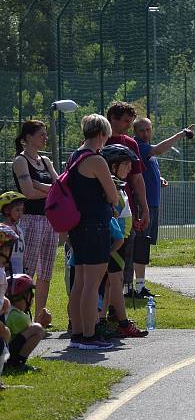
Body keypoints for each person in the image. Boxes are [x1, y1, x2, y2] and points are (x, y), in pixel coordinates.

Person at [66, 114, 118, 351]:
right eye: (106, 137)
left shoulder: (74, 156)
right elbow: (113, 195)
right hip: (95, 225)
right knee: (92, 283)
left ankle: (77, 331)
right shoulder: (97, 160)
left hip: (78, 226)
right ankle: (90, 334)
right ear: (101, 134)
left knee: (80, 282)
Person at [131, 117, 195, 299]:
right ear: (135, 132)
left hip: (153, 203)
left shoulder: (145, 150)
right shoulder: (139, 146)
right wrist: (180, 134)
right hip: (145, 205)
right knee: (140, 246)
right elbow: (157, 150)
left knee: (144, 245)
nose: (145, 133)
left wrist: (158, 179)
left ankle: (139, 286)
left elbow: (143, 172)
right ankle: (135, 287)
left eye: (148, 130)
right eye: (142, 130)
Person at [99, 144, 148, 338]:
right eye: (126, 165)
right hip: (114, 244)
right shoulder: (112, 189)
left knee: (112, 283)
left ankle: (105, 320)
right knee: (113, 281)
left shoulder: (120, 187)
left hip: (123, 241)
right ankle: (121, 322)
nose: (130, 169)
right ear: (112, 166)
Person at [12, 120, 59, 321]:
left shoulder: (46, 161)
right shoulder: (20, 161)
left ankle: (41, 314)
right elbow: (28, 193)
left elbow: (59, 189)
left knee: (46, 270)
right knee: (28, 269)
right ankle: (23, 315)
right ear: (28, 137)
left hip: (50, 220)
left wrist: (39, 184)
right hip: (30, 220)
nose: (45, 138)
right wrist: (44, 190)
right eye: (41, 134)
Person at [105, 102, 149, 298]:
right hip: (103, 210)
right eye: (124, 121)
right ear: (112, 118)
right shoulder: (98, 141)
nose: (127, 126)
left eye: (130, 122)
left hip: (125, 210)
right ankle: (100, 305)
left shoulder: (130, 144)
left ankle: (122, 297)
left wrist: (144, 208)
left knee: (126, 254)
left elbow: (137, 178)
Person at [3, 273, 45, 373]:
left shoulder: (6, 309)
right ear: (24, 296)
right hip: (4, 355)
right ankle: (18, 363)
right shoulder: (17, 316)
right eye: (31, 294)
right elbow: (32, 330)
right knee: (38, 329)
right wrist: (43, 323)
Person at [0, 191, 26, 277]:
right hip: (6, 273)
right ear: (7, 210)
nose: (20, 213)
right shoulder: (3, 230)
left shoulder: (19, 229)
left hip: (19, 271)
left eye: (22, 210)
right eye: (17, 210)